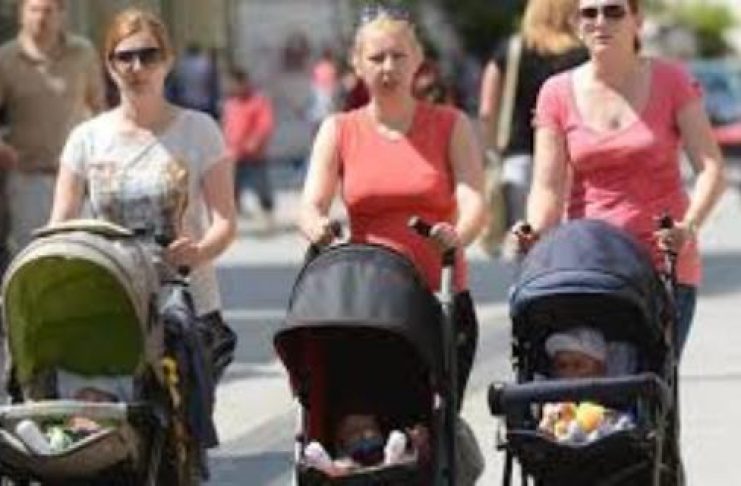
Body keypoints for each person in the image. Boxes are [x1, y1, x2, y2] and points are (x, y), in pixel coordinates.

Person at [298, 4, 486, 483]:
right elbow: (310, 203)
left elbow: (473, 197)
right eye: (376, 57)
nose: (388, 68)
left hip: (437, 296)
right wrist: (317, 225)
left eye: (399, 56)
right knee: (363, 414)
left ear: (418, 60)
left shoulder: (450, 124)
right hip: (368, 305)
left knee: (427, 418)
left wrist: (458, 235)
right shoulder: (339, 129)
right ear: (356, 65)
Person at [514, 0, 727, 356]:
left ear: (637, 20)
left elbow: (711, 169)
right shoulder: (556, 92)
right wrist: (533, 231)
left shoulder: (672, 80)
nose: (601, 21)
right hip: (590, 264)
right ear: (576, 23)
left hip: (663, 262)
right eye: (589, 13)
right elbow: (547, 187)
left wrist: (687, 228)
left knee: (652, 377)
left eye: (614, 11)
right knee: (590, 377)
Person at [48, 7, 238, 407]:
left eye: (149, 55)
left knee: (180, 426)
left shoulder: (199, 130)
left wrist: (199, 251)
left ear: (168, 61)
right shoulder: (86, 138)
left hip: (185, 305)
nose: (137, 67)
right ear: (109, 66)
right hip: (111, 303)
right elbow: (60, 224)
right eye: (125, 57)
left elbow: (225, 222)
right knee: (110, 419)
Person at [0, 0, 105, 259]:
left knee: (81, 256)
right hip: (29, 179)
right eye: (34, 10)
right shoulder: (6, 59)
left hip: (79, 179)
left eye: (48, 10)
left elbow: (99, 108)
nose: (41, 18)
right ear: (22, 14)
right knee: (31, 257)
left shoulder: (83, 53)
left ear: (61, 14)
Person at [478, 0, 587, 237]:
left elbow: (487, 110)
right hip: (569, 162)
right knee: (566, 237)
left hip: (518, 158)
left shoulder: (512, 50)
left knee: (521, 238)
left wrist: (491, 152)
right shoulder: (581, 56)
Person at [221, 67, 276, 230]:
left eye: (236, 84)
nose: (233, 88)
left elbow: (265, 125)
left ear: (244, 83)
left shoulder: (258, 101)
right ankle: (234, 218)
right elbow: (227, 126)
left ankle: (268, 215)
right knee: (232, 187)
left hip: (254, 155)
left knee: (261, 186)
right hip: (234, 155)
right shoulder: (230, 104)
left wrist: (254, 142)